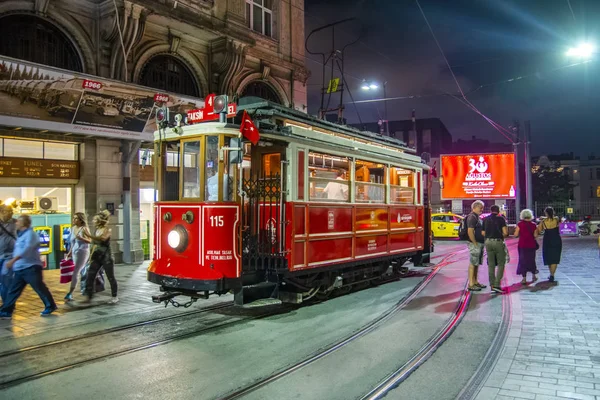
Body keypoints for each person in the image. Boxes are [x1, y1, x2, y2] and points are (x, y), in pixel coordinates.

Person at [0, 215, 57, 318]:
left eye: (18, 222)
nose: (16, 223)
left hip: (31, 267)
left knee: (39, 288)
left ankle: (50, 305)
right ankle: (6, 311)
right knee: (13, 290)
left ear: (24, 223)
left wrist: (12, 261)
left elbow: (26, 250)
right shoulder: (21, 235)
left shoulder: (31, 234)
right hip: (20, 268)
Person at [82, 210, 118, 304]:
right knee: (90, 274)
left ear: (100, 221)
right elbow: (94, 242)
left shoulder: (107, 230)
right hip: (97, 256)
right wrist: (85, 239)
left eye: (95, 220)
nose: (93, 222)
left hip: (106, 257)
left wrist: (89, 235)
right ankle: (89, 296)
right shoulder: (96, 230)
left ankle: (114, 296)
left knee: (110, 277)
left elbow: (102, 239)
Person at [64, 212, 91, 301]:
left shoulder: (84, 229)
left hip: (83, 252)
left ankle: (70, 293)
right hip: (75, 252)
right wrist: (69, 253)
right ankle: (86, 287)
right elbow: (73, 242)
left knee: (75, 272)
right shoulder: (73, 228)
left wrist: (82, 238)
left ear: (80, 220)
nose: (74, 220)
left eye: (76, 218)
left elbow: (90, 240)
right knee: (81, 271)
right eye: (73, 218)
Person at [482, 205, 509, 293]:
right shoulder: (501, 219)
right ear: (498, 211)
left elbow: (483, 233)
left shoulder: (485, 219)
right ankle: (497, 284)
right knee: (501, 263)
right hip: (498, 242)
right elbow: (505, 232)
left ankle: (492, 284)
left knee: (491, 264)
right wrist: (501, 236)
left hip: (488, 242)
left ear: (491, 210)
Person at [537, 207, 562, 283]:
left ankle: (551, 274)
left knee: (549, 257)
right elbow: (558, 220)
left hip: (547, 240)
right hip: (556, 239)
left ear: (546, 213)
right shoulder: (556, 219)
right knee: (555, 257)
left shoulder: (543, 221)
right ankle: (552, 274)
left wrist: (542, 220)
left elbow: (539, 230)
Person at [514, 209, 539, 285]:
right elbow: (535, 235)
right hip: (531, 245)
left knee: (523, 261)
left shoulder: (520, 224)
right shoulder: (534, 225)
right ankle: (534, 276)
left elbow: (515, 235)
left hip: (522, 245)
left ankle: (524, 278)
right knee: (532, 260)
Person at [466, 200, 486, 291]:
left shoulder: (477, 217)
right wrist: (474, 243)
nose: (481, 209)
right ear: (474, 207)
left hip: (479, 243)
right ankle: (471, 283)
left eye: (482, 207)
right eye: (479, 207)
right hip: (475, 243)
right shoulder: (472, 217)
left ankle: (475, 281)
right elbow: (470, 231)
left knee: (476, 263)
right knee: (473, 263)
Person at [0, 205, 17, 303]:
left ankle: (7, 304)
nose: (11, 213)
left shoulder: (16, 223)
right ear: (1, 212)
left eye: (12, 211)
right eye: (8, 211)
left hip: (10, 256)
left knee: (6, 279)